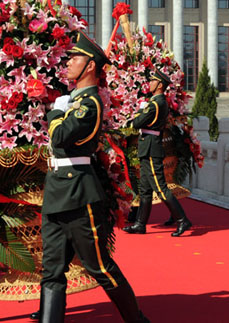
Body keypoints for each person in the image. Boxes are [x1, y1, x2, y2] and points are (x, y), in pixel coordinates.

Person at [39, 31, 148, 322]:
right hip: (56, 190)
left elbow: (60, 137)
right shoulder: (74, 101)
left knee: (98, 265)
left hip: (79, 193)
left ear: (89, 66)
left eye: (75, 57)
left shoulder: (90, 104)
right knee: (51, 270)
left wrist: (54, 113)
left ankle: (135, 319)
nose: (69, 61)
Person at [123, 67, 192, 237]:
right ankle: (140, 224)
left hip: (152, 147)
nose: (150, 83)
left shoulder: (156, 103)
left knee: (160, 188)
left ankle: (182, 220)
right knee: (145, 189)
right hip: (148, 146)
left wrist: (139, 112)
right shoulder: (155, 102)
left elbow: (138, 122)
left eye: (153, 80)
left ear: (160, 84)